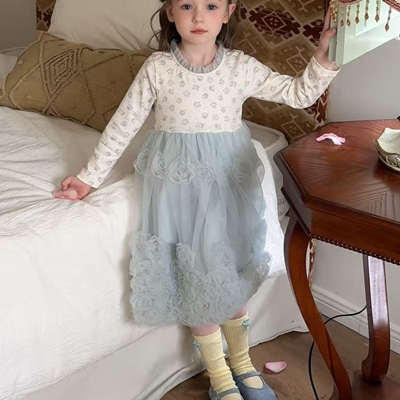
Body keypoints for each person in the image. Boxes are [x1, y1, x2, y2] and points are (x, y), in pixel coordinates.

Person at [53, 1, 339, 399]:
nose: (199, 16)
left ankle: (243, 363)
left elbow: (298, 93)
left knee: (230, 274)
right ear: (171, 12)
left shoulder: (239, 66)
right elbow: (123, 124)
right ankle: (220, 376)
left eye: (211, 5)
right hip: (178, 188)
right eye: (187, 5)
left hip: (228, 184)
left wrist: (323, 56)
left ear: (228, 12)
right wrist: (88, 178)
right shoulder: (158, 68)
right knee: (198, 278)